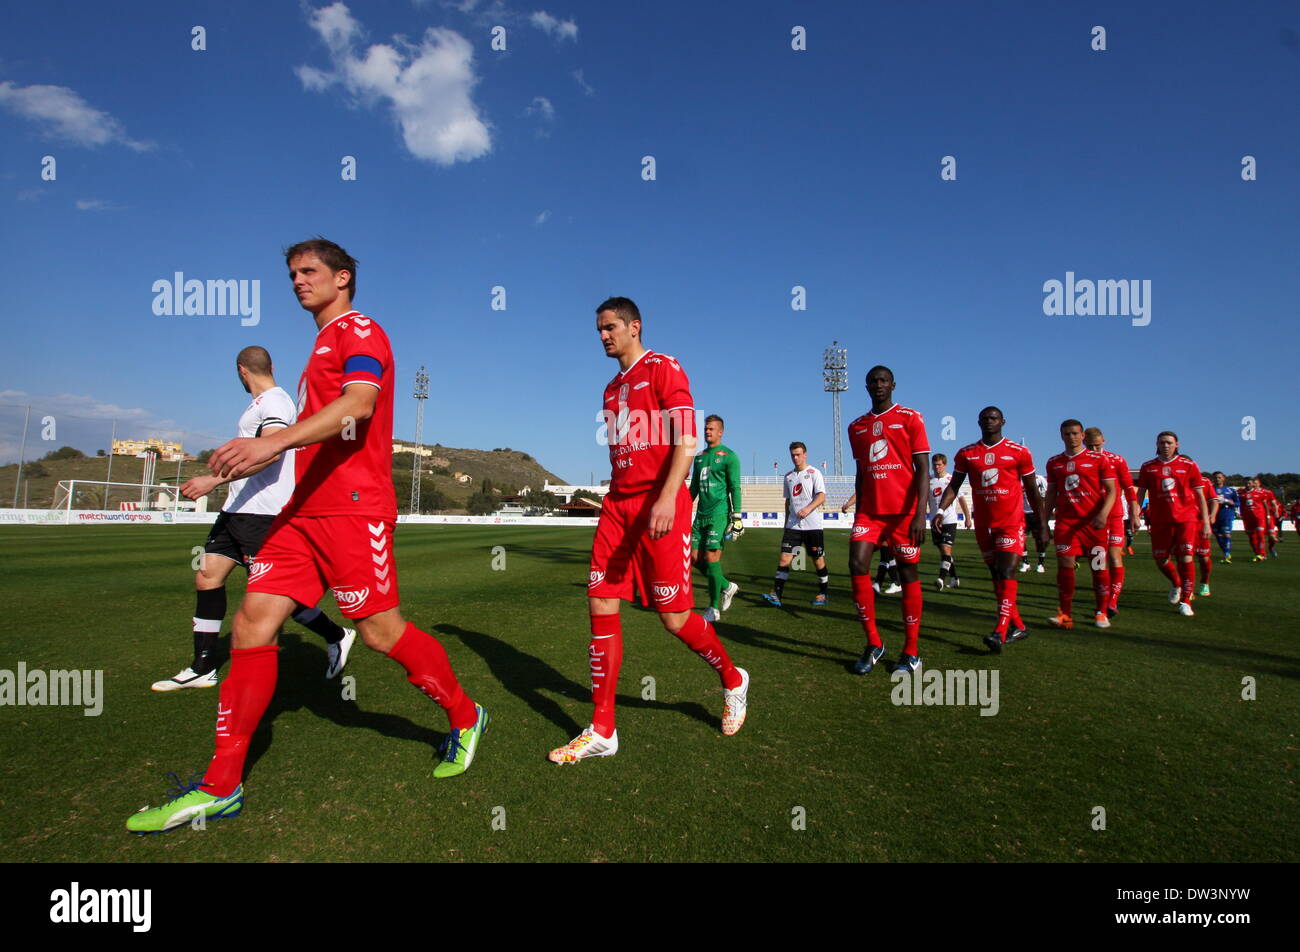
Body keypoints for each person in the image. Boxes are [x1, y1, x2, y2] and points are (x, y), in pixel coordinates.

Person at [127, 239, 488, 833]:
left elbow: (360, 406)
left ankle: (465, 715)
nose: (297, 280)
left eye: (309, 271)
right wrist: (252, 459)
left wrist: (272, 441)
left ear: (342, 277)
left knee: (379, 633)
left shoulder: (359, 330)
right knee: (251, 623)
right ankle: (219, 787)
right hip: (300, 514)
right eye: (292, 273)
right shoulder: (318, 344)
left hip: (353, 509)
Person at [548, 297, 749, 764]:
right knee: (599, 598)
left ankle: (733, 679)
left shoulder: (663, 368)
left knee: (673, 619)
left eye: (611, 326)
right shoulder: (609, 389)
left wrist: (666, 495)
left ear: (635, 326)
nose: (604, 335)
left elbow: (687, 437)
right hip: (619, 506)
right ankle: (602, 729)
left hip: (663, 504)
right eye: (599, 329)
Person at [153, 346, 355, 692]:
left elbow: (271, 454)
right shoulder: (259, 405)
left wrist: (213, 480)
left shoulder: (276, 403)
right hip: (236, 510)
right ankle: (202, 666)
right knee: (207, 577)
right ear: (271, 366)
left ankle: (336, 634)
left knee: (274, 597)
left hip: (263, 514)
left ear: (241, 371)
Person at [934, 408, 1046, 652]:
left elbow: (1033, 492)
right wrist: (941, 510)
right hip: (984, 526)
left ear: (1002, 422)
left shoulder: (1019, 452)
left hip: (1010, 523)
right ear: (978, 422)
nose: (989, 422)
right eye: (985, 419)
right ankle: (1018, 625)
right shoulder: (967, 453)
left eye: (993, 418)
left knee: (1006, 572)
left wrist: (1043, 524)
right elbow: (954, 486)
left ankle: (1000, 631)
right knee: (997, 576)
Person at [845, 366, 930, 675]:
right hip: (870, 512)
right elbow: (861, 472)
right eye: (873, 381)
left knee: (908, 573)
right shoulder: (857, 427)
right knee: (857, 563)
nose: (878, 385)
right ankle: (874, 642)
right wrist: (858, 513)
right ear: (866, 386)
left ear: (893, 384)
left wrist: (921, 514)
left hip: (904, 513)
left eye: (883, 380)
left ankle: (911, 651)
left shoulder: (910, 418)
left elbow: (923, 468)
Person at [1043, 420, 1117, 630]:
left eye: (1075, 433)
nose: (1071, 437)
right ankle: (1065, 614)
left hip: (1093, 524)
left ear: (1083, 435)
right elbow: (1051, 494)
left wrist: (1103, 514)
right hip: (1066, 524)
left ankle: (1101, 612)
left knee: (1098, 567)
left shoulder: (1098, 459)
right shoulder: (1055, 462)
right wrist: (1044, 521)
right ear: (1061, 436)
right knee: (1065, 566)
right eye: (1067, 434)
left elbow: (1112, 490)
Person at [1134, 431, 1212, 615]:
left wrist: (1206, 522)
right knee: (1160, 558)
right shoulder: (1148, 467)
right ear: (1157, 444)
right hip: (1160, 520)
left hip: (1186, 519)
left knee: (1185, 557)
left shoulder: (1189, 465)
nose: (1165, 445)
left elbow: (1200, 495)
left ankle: (1186, 600)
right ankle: (1176, 583)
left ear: (1177, 444)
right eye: (1162, 442)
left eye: (1169, 442)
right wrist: (1136, 513)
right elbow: (1140, 493)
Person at [763, 442, 830, 607]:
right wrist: (786, 523)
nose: (795, 458)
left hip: (812, 526)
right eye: (793, 455)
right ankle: (777, 595)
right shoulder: (788, 476)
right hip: (793, 526)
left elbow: (821, 497)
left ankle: (823, 593)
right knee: (784, 559)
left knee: (817, 560)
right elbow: (788, 502)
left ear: (805, 454)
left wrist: (808, 509)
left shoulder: (815, 473)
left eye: (798, 454)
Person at [689, 414, 742, 622]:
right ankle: (727, 586)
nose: (707, 432)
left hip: (719, 514)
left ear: (721, 432)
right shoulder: (699, 457)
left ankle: (713, 608)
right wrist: (680, 508)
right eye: (706, 429)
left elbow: (735, 487)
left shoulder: (730, 456)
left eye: (711, 429)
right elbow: (694, 487)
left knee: (711, 559)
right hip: (700, 515)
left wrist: (736, 517)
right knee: (693, 558)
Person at [1083, 427, 1137, 617]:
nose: (1094, 449)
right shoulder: (1081, 461)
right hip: (1092, 517)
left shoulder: (1116, 460)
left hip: (1114, 515)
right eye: (1090, 446)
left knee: (1114, 555)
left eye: (1097, 445)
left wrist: (1135, 514)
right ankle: (1103, 599)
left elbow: (1129, 488)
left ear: (1104, 441)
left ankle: (1112, 601)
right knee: (1099, 560)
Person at [928, 453, 972, 591]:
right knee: (944, 552)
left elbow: (962, 500)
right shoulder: (929, 481)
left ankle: (940, 579)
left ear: (945, 465)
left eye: (939, 464)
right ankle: (954, 579)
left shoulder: (951, 480)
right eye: (934, 464)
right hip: (935, 521)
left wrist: (968, 518)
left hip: (949, 520)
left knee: (946, 549)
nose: (937, 467)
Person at [1193, 472, 1219, 596]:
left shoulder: (1205, 482)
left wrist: (1212, 515)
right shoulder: (1173, 480)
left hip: (1200, 523)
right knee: (1183, 556)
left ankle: (1205, 582)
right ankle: (1185, 587)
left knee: (1203, 557)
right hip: (1182, 523)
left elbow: (1214, 501)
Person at [1018, 473, 1050, 573]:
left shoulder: (1039, 479)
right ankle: (1025, 562)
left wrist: (1046, 509)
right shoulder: (1018, 480)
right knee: (1020, 538)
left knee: (1040, 539)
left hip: (1037, 513)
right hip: (1023, 514)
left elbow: (1048, 493)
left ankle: (1040, 564)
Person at [1210, 471, 1240, 563]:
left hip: (1226, 513)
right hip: (1214, 514)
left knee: (1226, 534)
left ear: (1224, 478)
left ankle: (1226, 555)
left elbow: (1237, 503)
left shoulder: (1230, 490)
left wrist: (1226, 501)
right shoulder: (1210, 489)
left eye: (1219, 477)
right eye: (1215, 477)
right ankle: (1226, 553)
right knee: (1218, 535)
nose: (1217, 479)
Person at [1240, 477, 1267, 561]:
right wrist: (1242, 515)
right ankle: (1257, 553)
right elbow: (1241, 506)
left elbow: (1265, 505)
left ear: (1253, 484)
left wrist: (1268, 516)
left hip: (1259, 517)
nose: (1247, 485)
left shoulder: (1260, 493)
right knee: (1251, 537)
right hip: (1248, 518)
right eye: (1246, 483)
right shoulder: (1242, 494)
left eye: (1249, 483)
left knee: (1260, 535)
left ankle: (1262, 554)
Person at [1259, 479, 1282, 558]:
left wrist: (1276, 512)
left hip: (1269, 516)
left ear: (1259, 483)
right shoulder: (1251, 493)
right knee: (1260, 535)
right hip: (1259, 516)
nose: (1254, 484)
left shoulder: (1268, 492)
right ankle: (1262, 553)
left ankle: (1271, 547)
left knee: (1272, 536)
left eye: (1255, 483)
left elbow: (1274, 503)